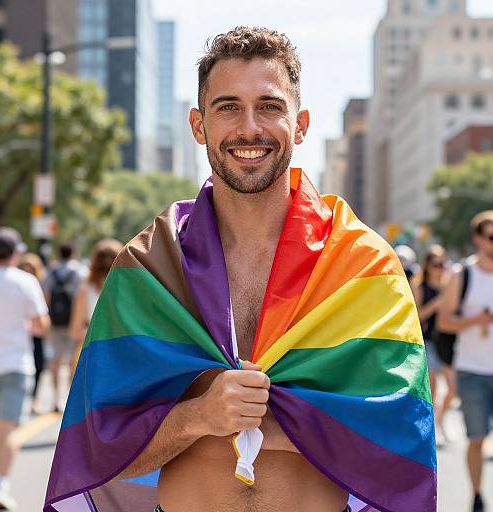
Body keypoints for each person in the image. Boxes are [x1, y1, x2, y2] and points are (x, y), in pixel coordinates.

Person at [45, 27, 435, 512]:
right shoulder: (151, 268)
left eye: (270, 106)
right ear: (198, 125)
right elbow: (101, 451)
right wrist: (198, 417)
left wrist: (277, 421)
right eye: (228, 106)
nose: (249, 128)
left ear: (302, 124)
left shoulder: (361, 265)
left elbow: (403, 436)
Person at [0, 228, 49, 510]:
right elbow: (41, 326)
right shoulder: (25, 281)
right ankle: (1, 483)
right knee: (7, 428)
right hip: (15, 364)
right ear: (14, 253)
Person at [439, 210, 493, 512]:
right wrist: (476, 320)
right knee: (476, 438)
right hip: (472, 370)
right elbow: (445, 322)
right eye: (491, 235)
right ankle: (476, 494)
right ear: (478, 239)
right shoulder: (463, 275)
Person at [412, 245, 454, 444]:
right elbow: (417, 315)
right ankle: (432, 429)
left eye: (442, 263)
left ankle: (440, 421)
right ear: (428, 265)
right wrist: (436, 304)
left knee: (453, 388)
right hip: (427, 340)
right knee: (434, 388)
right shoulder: (420, 286)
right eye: (436, 263)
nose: (439, 267)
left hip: (447, 342)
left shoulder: (449, 285)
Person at [42, 241, 86, 411]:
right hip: (73, 323)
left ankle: (55, 398)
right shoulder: (79, 271)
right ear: (73, 252)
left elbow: (45, 296)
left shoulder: (50, 271)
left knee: (56, 360)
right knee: (71, 361)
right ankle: (68, 398)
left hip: (55, 321)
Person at [69, 239, 122, 374]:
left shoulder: (85, 290)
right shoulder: (127, 289)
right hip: (120, 352)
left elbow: (75, 331)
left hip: (91, 351)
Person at [18, 253, 48, 415]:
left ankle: (34, 398)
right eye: (24, 268)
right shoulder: (20, 284)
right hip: (22, 334)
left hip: (35, 334)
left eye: (30, 268)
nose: (27, 271)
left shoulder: (40, 285)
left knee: (38, 365)